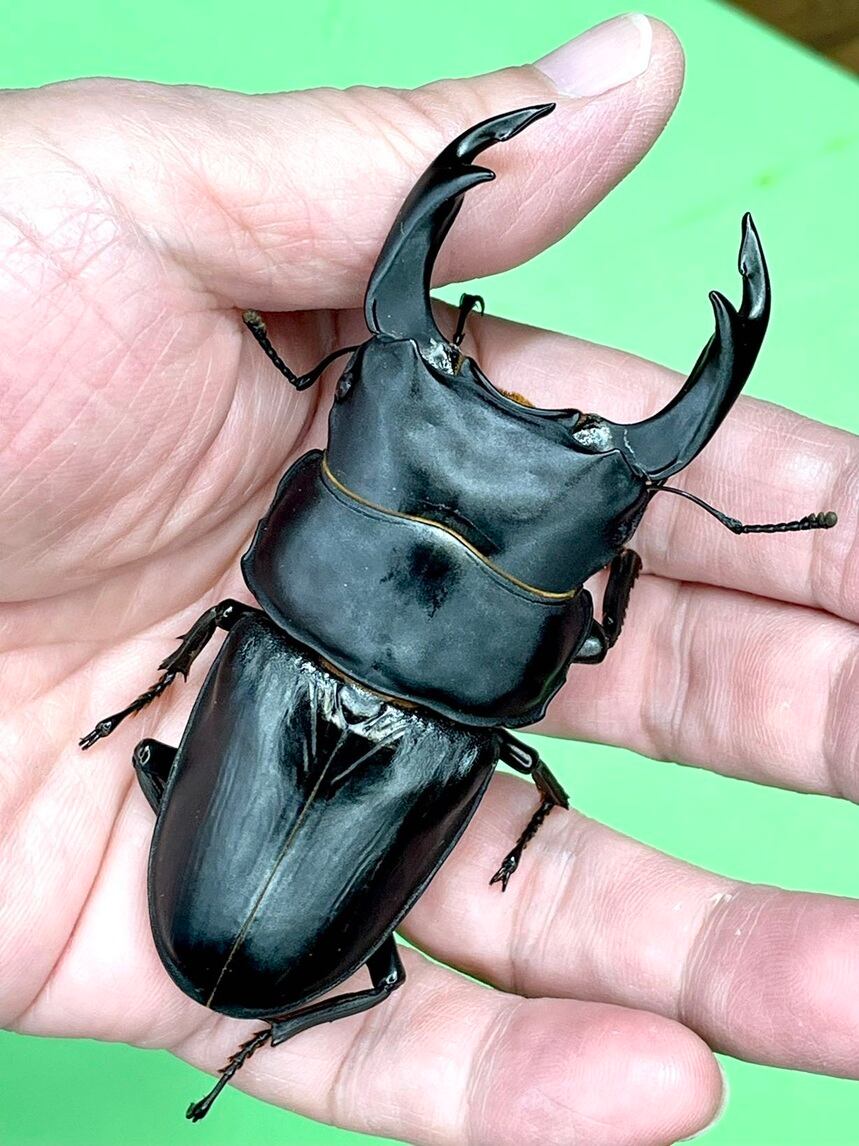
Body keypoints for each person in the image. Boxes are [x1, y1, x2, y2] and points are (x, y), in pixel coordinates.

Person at [0, 13, 855, 1145]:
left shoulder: (253, 630)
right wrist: (617, 542)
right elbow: (590, 643)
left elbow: (218, 655)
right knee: (385, 960)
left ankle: (256, 1023)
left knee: (200, 711)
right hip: (318, 844)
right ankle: (260, 1030)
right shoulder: (435, 716)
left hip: (269, 845)